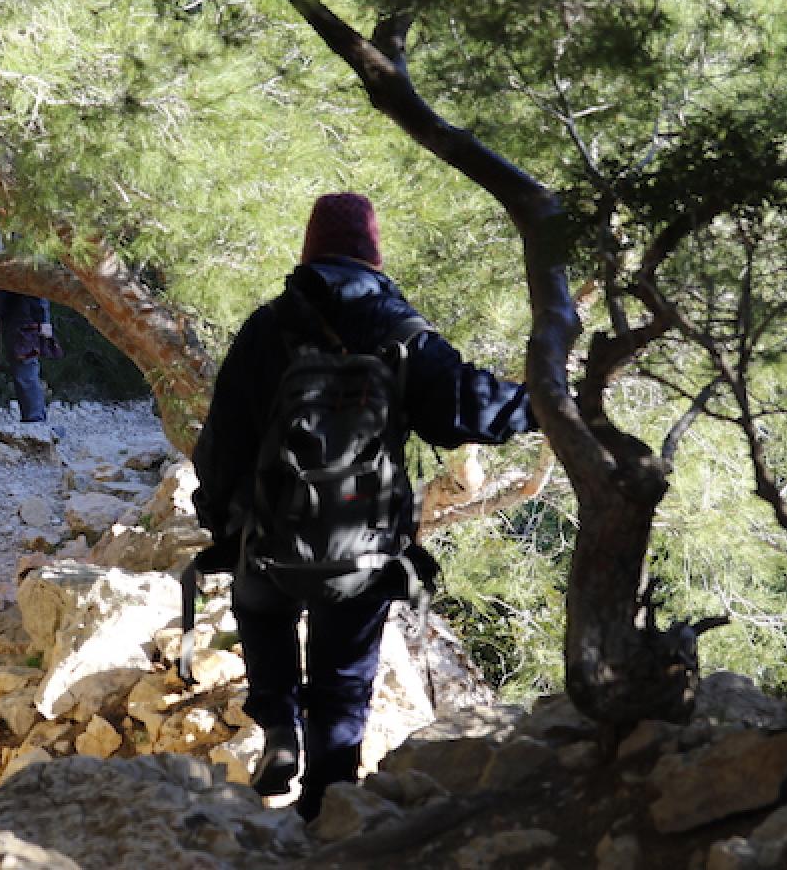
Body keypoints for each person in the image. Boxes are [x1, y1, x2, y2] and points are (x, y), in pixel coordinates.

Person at [190, 192, 535, 822]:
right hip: (363, 549)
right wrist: (542, 402)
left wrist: (223, 524)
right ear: (373, 255)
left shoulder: (267, 328)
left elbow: (221, 446)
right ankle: (329, 804)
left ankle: (277, 725)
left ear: (310, 251)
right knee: (343, 685)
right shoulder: (401, 330)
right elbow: (463, 412)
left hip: (271, 541)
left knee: (259, 601)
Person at [0, 289, 57, 423]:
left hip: (24, 322)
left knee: (25, 372)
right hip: (21, 320)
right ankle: (35, 419)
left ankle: (35, 420)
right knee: (26, 371)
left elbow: (36, 288)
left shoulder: (25, 275)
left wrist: (43, 319)